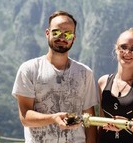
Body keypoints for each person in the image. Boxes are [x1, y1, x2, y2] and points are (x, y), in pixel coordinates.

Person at [12, 10, 98, 143]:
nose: (62, 38)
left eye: (68, 34)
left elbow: (89, 120)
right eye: (56, 32)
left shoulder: (85, 73)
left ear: (73, 38)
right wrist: (53, 118)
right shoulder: (29, 69)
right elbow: (25, 117)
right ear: (47, 33)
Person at [97, 27, 133, 143]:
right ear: (116, 49)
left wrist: (126, 125)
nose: (127, 52)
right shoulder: (103, 82)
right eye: (123, 47)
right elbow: (100, 124)